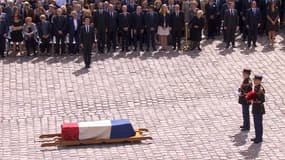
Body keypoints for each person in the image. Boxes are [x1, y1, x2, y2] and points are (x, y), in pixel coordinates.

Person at [251, 74, 265, 144]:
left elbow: (262, 100)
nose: (254, 81)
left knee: (258, 124)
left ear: (259, 81)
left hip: (259, 109)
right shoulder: (256, 87)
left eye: (256, 80)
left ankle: (259, 138)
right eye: (254, 80)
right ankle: (257, 136)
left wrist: (255, 99)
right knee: (256, 124)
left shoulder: (260, 89)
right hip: (255, 108)